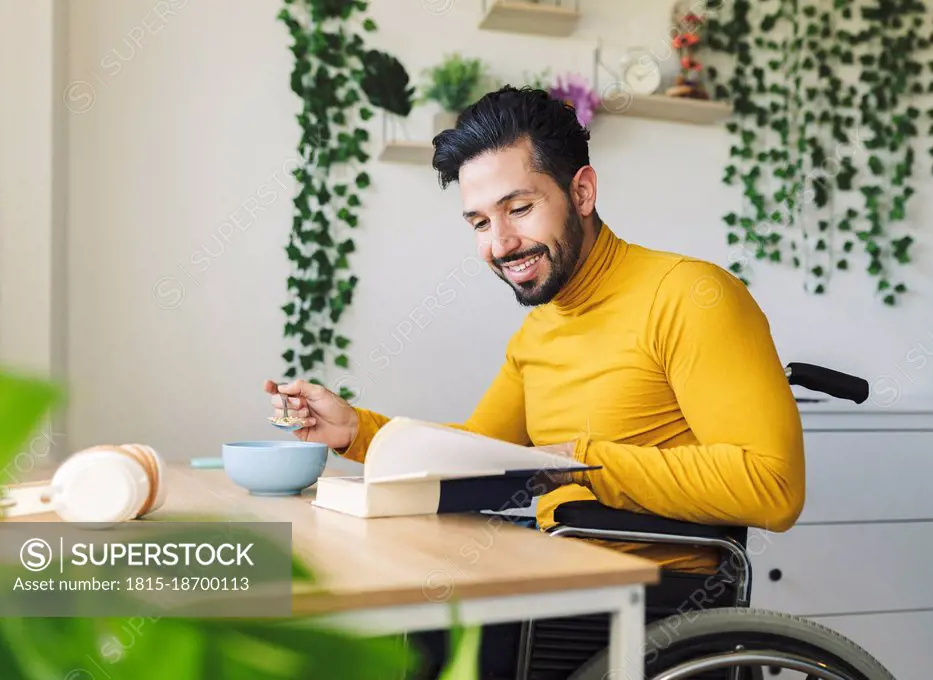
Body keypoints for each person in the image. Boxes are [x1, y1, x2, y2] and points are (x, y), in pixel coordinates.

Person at [266, 85, 804, 678]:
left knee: (400, 633)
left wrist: (579, 461)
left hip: (647, 601)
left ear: (582, 191)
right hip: (546, 571)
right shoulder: (539, 328)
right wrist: (353, 431)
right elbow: (472, 452)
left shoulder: (693, 297)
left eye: (518, 209)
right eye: (479, 221)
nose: (499, 245)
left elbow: (772, 486)